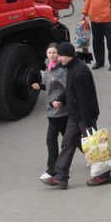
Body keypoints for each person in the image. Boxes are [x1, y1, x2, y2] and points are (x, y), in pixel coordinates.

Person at [42, 42, 103, 188]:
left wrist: (87, 122)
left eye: (61, 56)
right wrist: (61, 99)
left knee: (92, 145)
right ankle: (61, 177)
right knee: (68, 143)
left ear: (68, 56)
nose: (59, 58)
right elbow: (70, 90)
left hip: (84, 115)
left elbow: (84, 99)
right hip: (75, 114)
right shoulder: (72, 69)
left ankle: (103, 174)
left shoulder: (79, 72)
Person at [31, 43, 69, 181]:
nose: (51, 55)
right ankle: (93, 157)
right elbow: (49, 85)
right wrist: (40, 86)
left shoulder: (62, 70)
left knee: (51, 140)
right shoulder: (49, 67)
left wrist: (59, 101)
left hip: (59, 110)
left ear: (59, 55)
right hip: (51, 110)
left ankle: (52, 169)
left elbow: (67, 89)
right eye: (49, 53)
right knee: (70, 139)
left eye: (54, 53)